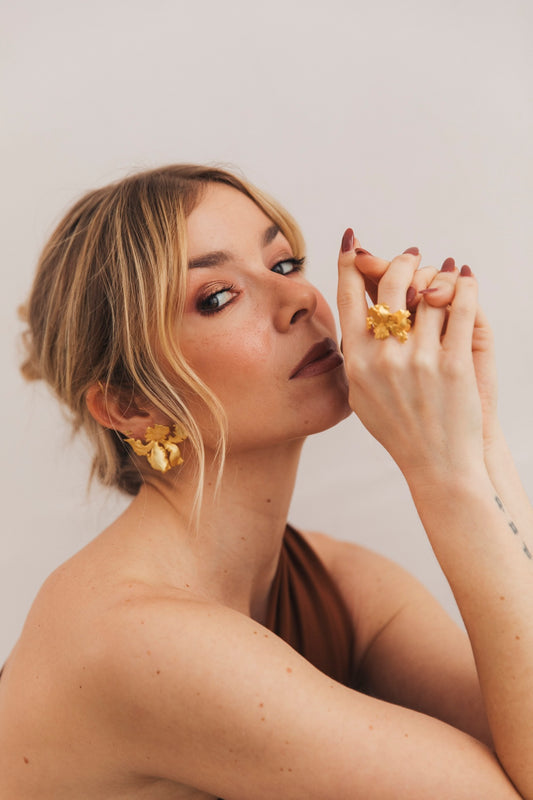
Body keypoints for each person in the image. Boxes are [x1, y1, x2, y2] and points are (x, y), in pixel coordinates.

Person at [0, 164, 532, 800]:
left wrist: (475, 435)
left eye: (284, 264)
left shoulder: (342, 584)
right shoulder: (136, 641)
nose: (300, 298)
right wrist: (443, 472)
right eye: (218, 296)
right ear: (131, 406)